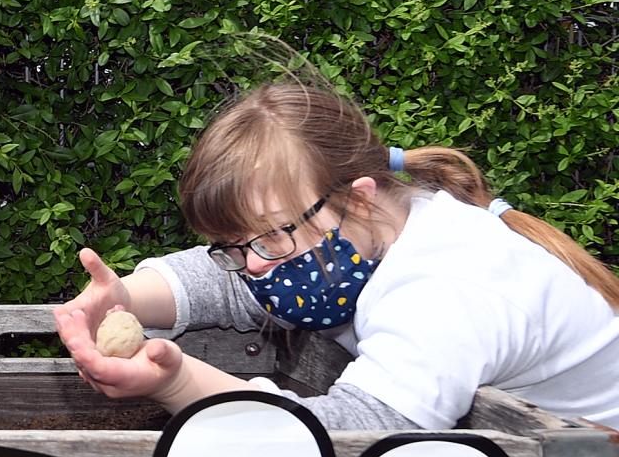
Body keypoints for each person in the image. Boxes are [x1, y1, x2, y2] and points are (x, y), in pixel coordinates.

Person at [54, 66, 619, 430]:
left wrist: (176, 383)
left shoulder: (444, 288)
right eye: (233, 246)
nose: (254, 265)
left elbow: (354, 436)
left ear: (359, 199)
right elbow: (233, 287)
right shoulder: (382, 231)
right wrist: (122, 295)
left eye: (272, 235)